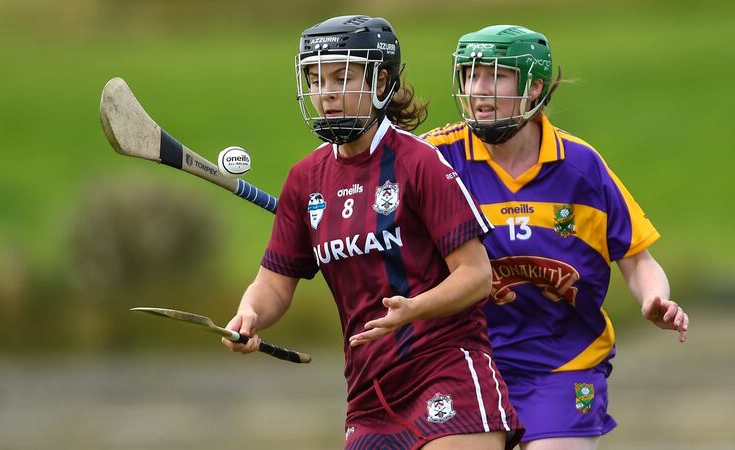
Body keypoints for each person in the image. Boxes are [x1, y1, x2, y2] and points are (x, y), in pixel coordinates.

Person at [221, 15, 523, 450]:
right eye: (316, 78)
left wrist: (413, 309)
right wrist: (250, 313)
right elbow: (273, 282)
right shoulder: (305, 180)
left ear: (380, 81)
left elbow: (477, 276)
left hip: (445, 371)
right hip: (369, 395)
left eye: (342, 76)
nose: (326, 92)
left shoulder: (420, 164)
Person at [422, 25, 690, 450]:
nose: (479, 90)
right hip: (465, 362)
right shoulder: (434, 157)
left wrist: (653, 299)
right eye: (471, 75)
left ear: (534, 87)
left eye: (496, 76)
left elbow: (637, 258)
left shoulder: (581, 167)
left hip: (563, 364)